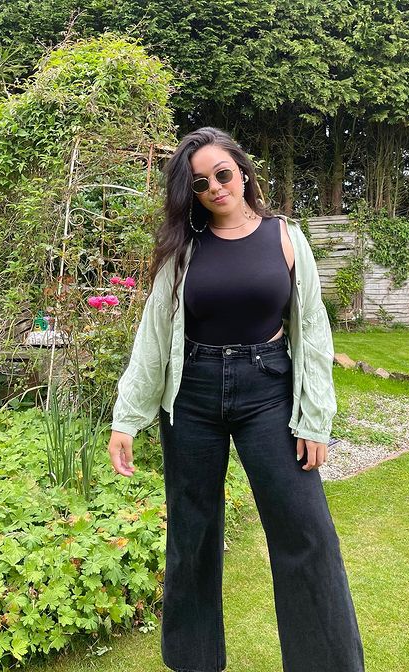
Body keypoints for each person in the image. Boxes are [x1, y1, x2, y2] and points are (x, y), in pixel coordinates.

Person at [107, 127, 365, 672]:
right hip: (193, 395)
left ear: (243, 172)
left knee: (306, 531)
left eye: (222, 173)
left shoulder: (285, 237)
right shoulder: (184, 248)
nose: (215, 187)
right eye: (200, 183)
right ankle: (195, 662)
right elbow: (155, 333)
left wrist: (315, 419)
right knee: (192, 532)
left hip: (267, 390)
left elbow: (312, 330)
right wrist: (127, 417)